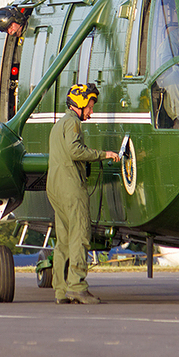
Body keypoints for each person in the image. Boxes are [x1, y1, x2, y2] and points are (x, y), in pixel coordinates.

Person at [47, 83, 120, 305]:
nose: (91, 111)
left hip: (55, 187)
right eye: (89, 106)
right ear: (79, 105)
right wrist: (103, 154)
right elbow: (75, 151)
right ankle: (77, 287)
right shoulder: (73, 124)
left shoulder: (59, 124)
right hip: (71, 187)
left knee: (64, 240)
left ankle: (61, 290)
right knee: (80, 236)